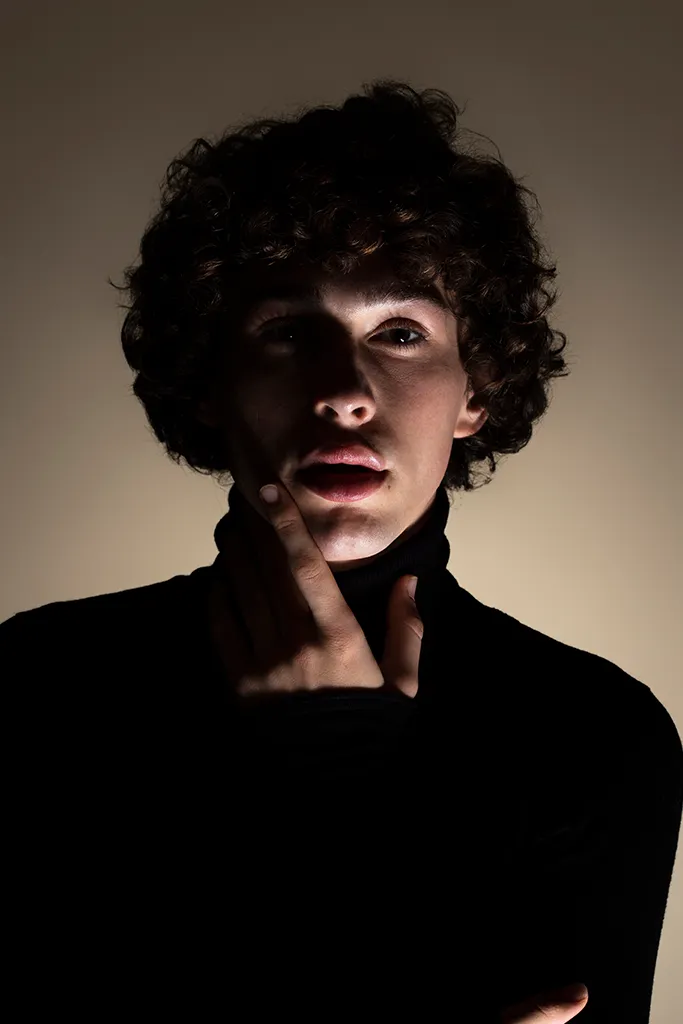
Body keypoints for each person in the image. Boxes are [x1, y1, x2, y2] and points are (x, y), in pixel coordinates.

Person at [3, 80, 681, 1021]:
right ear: (209, 384)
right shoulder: (36, 684)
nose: (346, 391)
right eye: (289, 332)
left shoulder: (594, 734)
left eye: (400, 333)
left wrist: (351, 779)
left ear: (475, 392)